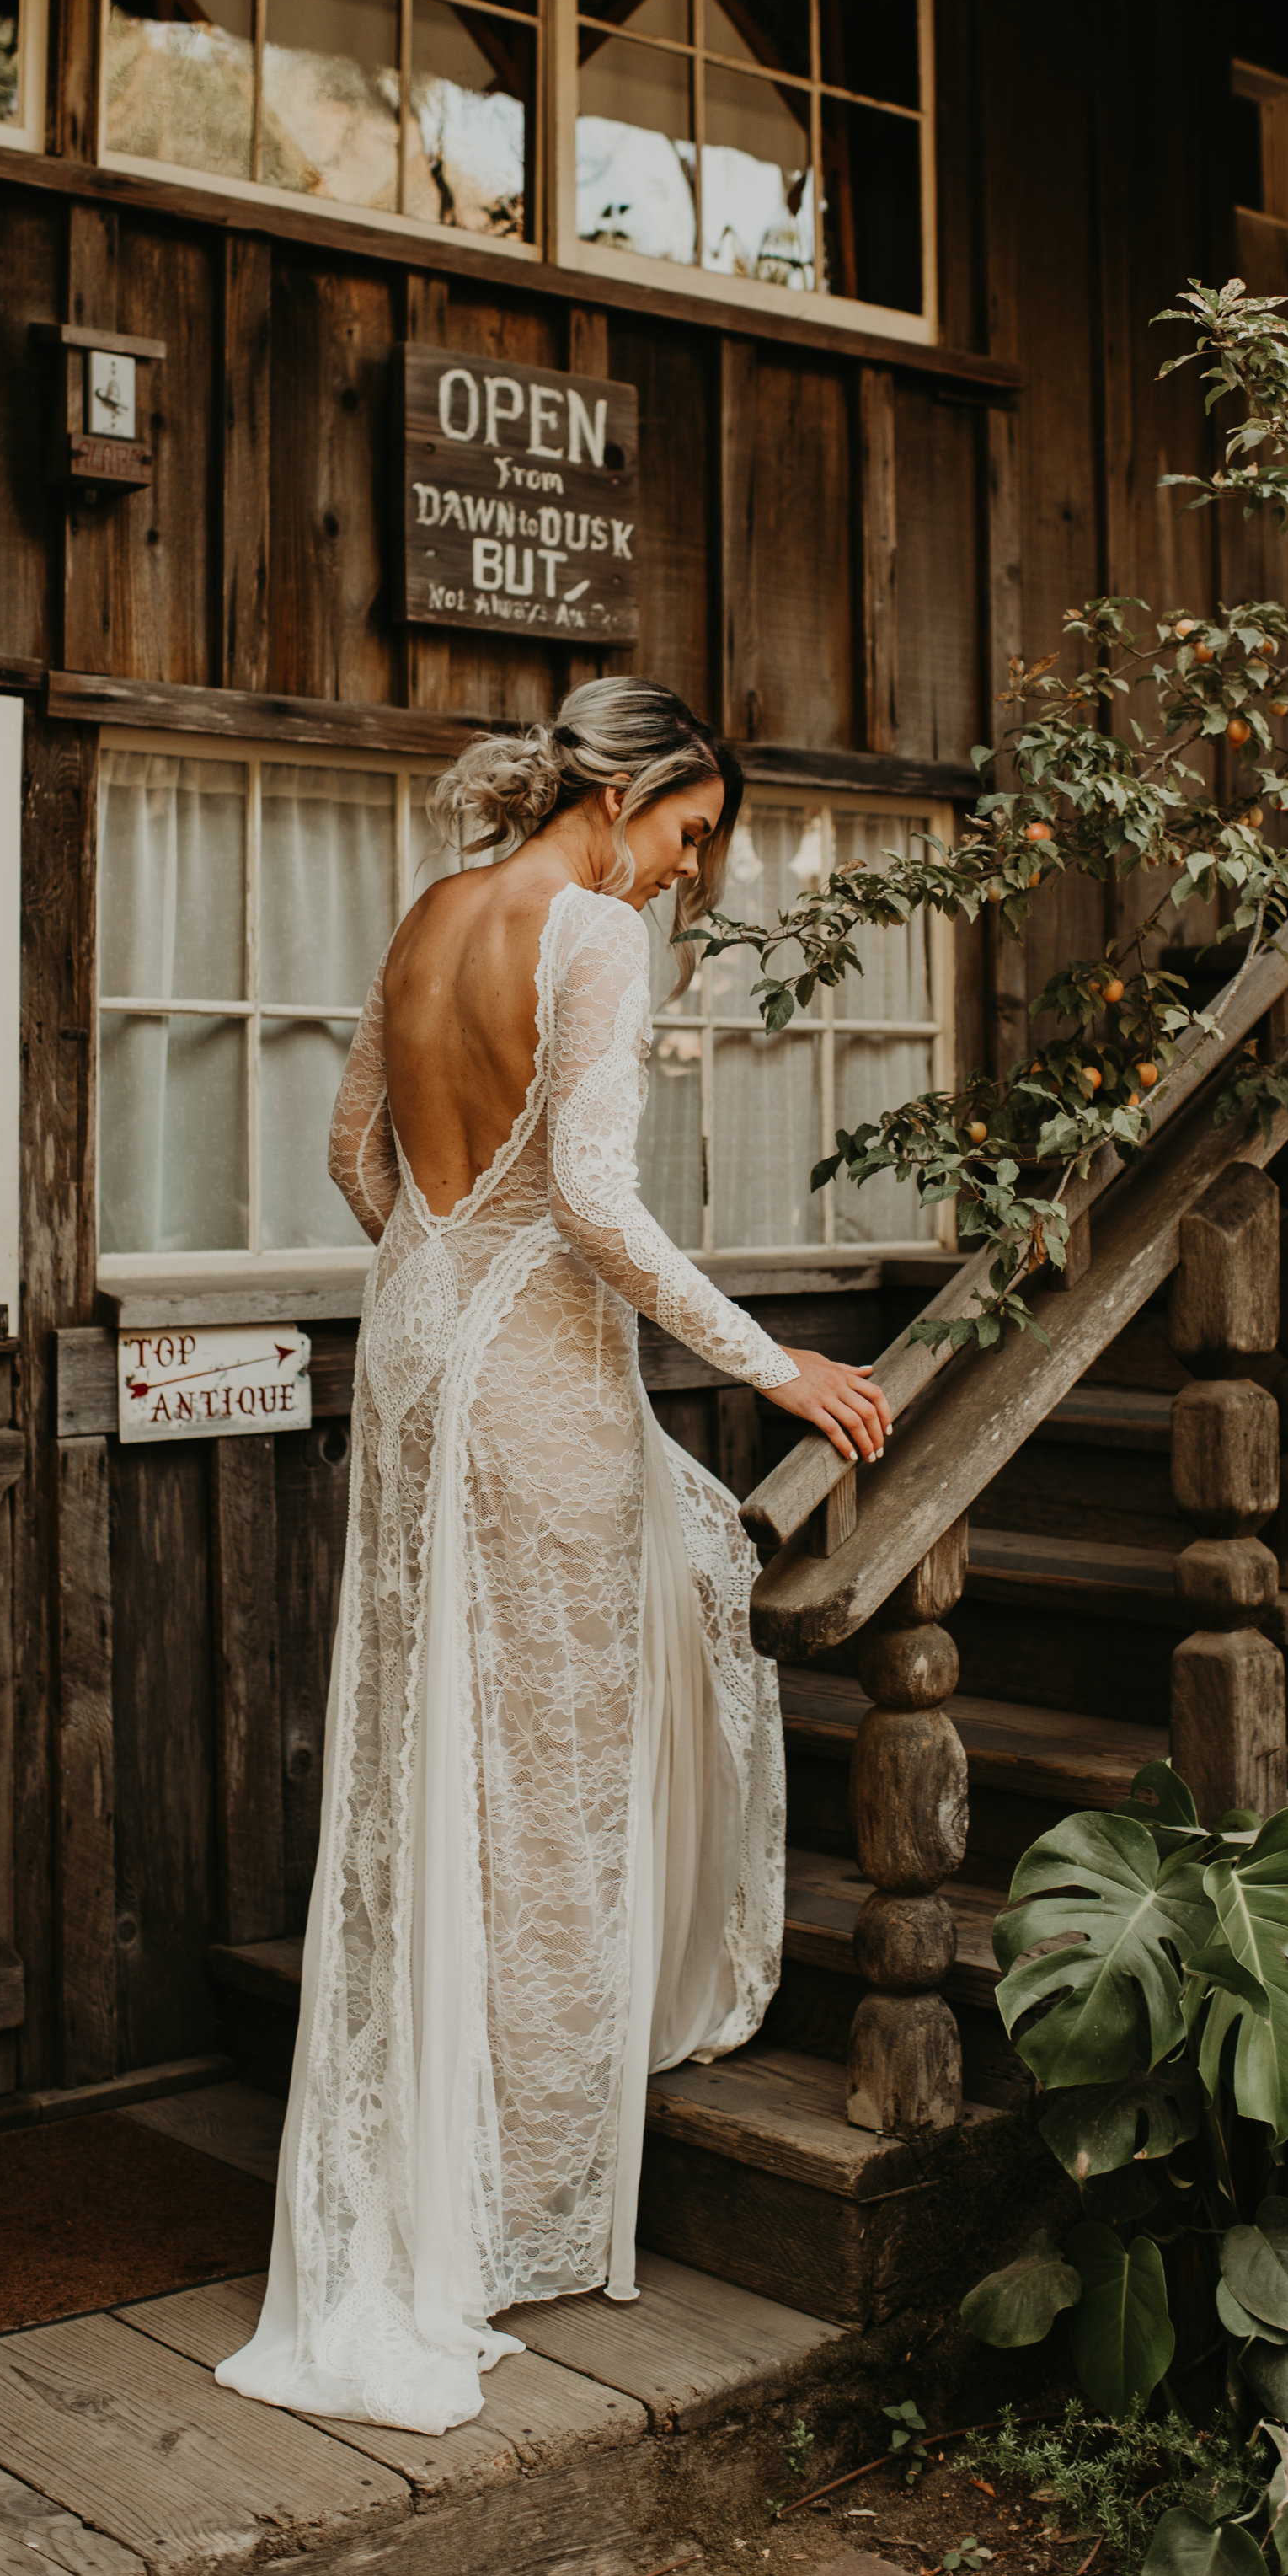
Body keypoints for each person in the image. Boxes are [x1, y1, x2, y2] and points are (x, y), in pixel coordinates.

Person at [216, 679, 891, 2435]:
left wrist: (449, 1268)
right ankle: (501, 2195)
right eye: (690, 836)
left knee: (438, 1744)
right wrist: (777, 1364)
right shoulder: (586, 931)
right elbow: (594, 1193)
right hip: (528, 1372)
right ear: (635, 791)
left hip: (421, 1342)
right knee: (547, 1765)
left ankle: (421, 2169)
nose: (687, 876)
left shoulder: (432, 910)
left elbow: (353, 1153)